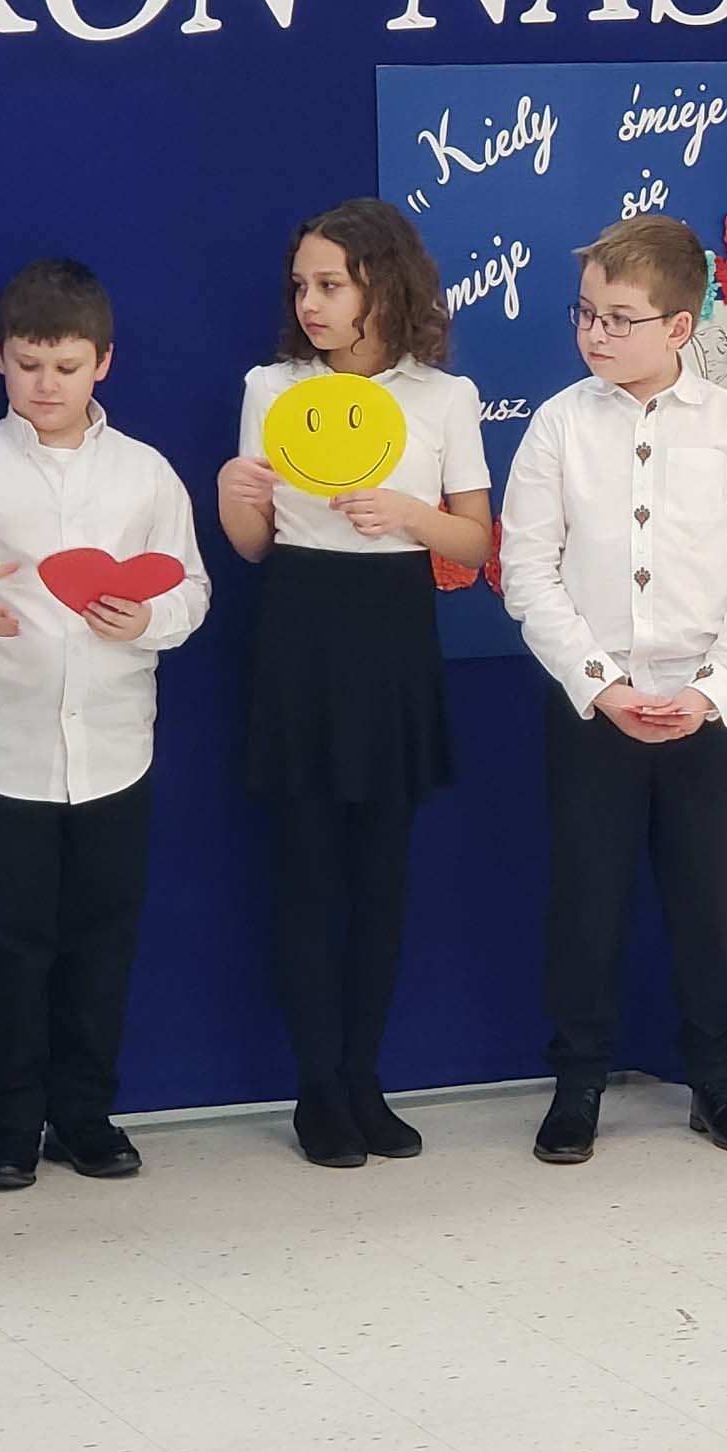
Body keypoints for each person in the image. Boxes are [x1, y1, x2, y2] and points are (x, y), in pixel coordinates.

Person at [0, 258, 208, 1190]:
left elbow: (191, 589)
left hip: (116, 746)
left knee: (102, 942)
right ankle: (8, 1126)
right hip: (1, 745)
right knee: (6, 943)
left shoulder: (145, 473)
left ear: (102, 362)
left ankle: (85, 1115)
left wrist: (147, 618)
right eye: (28, 364)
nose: (46, 385)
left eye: (66, 367)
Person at [500, 214, 727, 1164]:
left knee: (712, 900)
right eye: (586, 314)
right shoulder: (559, 423)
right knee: (586, 900)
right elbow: (527, 573)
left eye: (620, 319)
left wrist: (714, 687)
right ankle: (578, 1080)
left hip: (707, 708)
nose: (596, 334)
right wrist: (602, 684)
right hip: (597, 709)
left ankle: (719, 1081)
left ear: (679, 327)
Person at [218, 199, 490, 1169]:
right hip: (300, 624)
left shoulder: (442, 397)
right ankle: (316, 1089)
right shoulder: (272, 387)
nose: (311, 302)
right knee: (305, 870)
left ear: (384, 283)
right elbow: (254, 545)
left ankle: (365, 1078)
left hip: (392, 632)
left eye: (330, 283)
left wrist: (407, 512)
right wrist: (234, 497)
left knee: (381, 873)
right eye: (302, 285)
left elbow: (475, 540)